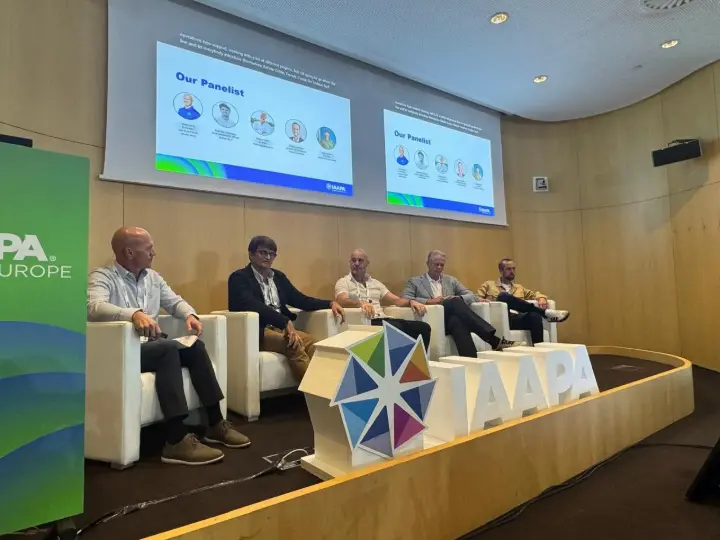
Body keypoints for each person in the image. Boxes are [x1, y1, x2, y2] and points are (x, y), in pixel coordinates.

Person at [87, 227, 249, 466]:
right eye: (149, 249)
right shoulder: (103, 276)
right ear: (129, 252)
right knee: (167, 349)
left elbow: (174, 301)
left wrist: (189, 315)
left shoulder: (153, 278)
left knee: (194, 347)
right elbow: (93, 307)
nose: (154, 253)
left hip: (152, 346)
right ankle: (176, 439)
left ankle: (216, 423)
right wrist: (133, 314)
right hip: (122, 351)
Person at [228, 236, 344, 380]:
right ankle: (314, 389)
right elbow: (252, 304)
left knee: (313, 343)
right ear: (251, 254)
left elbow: (300, 299)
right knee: (293, 344)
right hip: (258, 331)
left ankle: (327, 384)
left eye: (272, 254)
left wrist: (329, 303)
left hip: (281, 329)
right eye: (263, 252)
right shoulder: (238, 278)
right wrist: (284, 321)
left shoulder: (278, 277)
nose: (268, 257)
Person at [402, 251, 523, 357]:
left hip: (448, 320)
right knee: (454, 303)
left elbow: (470, 294)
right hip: (431, 319)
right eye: (436, 264)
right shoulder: (415, 281)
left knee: (456, 321)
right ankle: (493, 340)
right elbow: (404, 299)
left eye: (442, 265)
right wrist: (429, 301)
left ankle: (472, 360)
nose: (439, 267)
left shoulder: (450, 280)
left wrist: (458, 298)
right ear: (428, 263)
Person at [335, 249, 431, 350]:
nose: (356, 263)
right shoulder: (343, 282)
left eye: (360, 260)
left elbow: (397, 301)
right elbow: (341, 300)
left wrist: (411, 301)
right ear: (350, 263)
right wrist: (360, 303)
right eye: (353, 260)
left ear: (367, 263)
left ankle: (417, 359)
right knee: (395, 328)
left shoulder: (376, 283)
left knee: (423, 327)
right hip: (367, 322)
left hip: (383, 319)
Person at [477, 258, 569, 345]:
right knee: (503, 296)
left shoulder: (519, 288)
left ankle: (539, 349)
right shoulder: (489, 285)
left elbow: (535, 294)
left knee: (535, 316)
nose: (512, 271)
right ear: (501, 271)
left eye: (513, 269)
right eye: (508, 269)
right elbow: (476, 298)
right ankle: (544, 313)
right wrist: (483, 300)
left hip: (517, 319)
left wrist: (541, 298)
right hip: (501, 319)